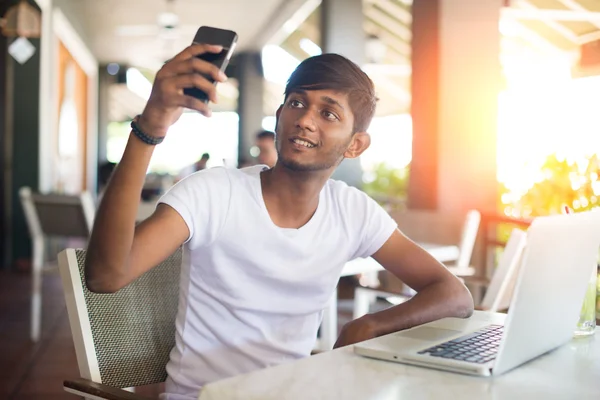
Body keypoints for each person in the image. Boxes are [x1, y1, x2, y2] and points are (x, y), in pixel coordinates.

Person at [85, 44, 473, 399]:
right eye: (296, 103)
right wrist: (150, 127)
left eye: (328, 113)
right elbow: (105, 277)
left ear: (355, 144)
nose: (305, 120)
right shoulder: (214, 193)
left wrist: (367, 326)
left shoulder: (351, 211)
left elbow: (453, 294)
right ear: (279, 116)